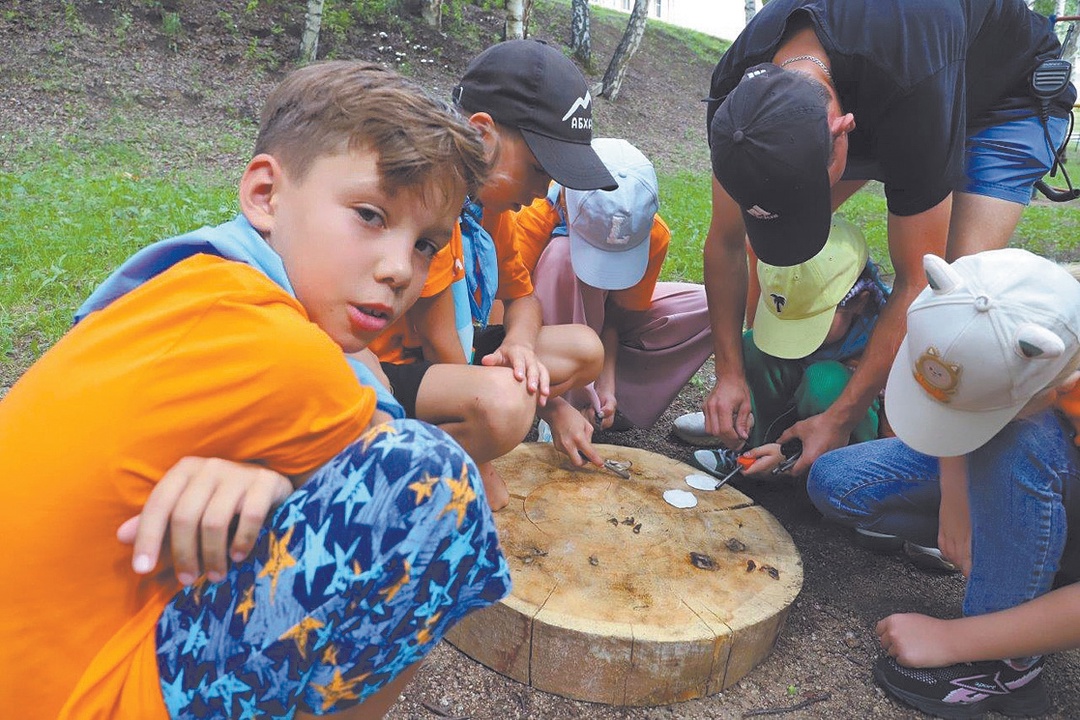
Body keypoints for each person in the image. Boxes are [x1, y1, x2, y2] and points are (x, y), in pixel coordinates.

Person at [0, 61, 511, 720]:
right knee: (435, 486)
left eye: (425, 246)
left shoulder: (184, 285)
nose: (398, 270)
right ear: (266, 194)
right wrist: (284, 481)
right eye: (370, 215)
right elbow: (392, 476)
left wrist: (273, 476)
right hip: (83, 698)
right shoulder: (278, 347)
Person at [700, 0, 1076, 475]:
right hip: (889, 82)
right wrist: (730, 372)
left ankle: (896, 461)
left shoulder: (910, 84)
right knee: (768, 235)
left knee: (956, 301)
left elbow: (918, 279)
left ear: (844, 132)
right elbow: (727, 242)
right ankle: (780, 397)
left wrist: (841, 418)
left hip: (1003, 98)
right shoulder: (737, 94)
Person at [807, 249, 1080, 718]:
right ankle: (1026, 556)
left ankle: (1005, 668)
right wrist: (955, 497)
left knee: (1020, 440)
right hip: (1039, 457)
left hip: (1038, 460)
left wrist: (952, 640)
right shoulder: (1004, 294)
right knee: (838, 482)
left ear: (1061, 386)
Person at [368, 39, 608, 505]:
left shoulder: (489, 209)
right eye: (540, 169)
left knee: (583, 348)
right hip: (395, 366)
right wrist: (484, 460)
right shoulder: (434, 205)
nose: (545, 191)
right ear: (483, 135)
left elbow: (524, 298)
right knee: (502, 409)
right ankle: (436, 462)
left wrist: (519, 347)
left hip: (453, 349)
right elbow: (441, 345)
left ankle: (471, 425)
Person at [513, 138, 713, 465]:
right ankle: (564, 403)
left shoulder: (652, 233)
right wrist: (555, 406)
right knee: (563, 259)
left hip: (597, 335)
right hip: (544, 340)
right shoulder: (534, 216)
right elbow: (503, 323)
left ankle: (604, 404)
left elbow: (618, 314)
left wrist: (606, 377)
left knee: (706, 306)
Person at [675, 215, 889, 477]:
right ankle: (752, 453)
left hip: (843, 434)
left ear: (859, 302)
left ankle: (830, 476)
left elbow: (894, 430)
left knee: (824, 380)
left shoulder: (887, 330)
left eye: (810, 323)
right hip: (794, 411)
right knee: (754, 347)